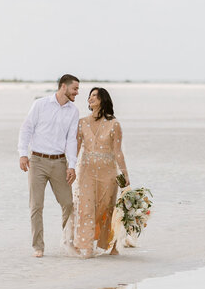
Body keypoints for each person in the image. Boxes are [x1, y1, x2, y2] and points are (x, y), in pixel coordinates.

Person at [18, 74, 80, 257]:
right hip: (37, 161)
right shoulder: (40, 105)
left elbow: (71, 140)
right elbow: (26, 128)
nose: (77, 92)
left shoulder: (73, 111)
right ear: (63, 87)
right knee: (36, 205)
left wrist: (72, 165)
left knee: (68, 203)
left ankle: (68, 241)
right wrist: (22, 154)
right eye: (74, 88)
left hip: (60, 162)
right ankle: (38, 246)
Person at [71, 87, 130, 257]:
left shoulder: (114, 124)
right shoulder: (82, 122)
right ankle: (87, 246)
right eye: (89, 96)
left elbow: (118, 151)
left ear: (103, 99)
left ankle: (109, 244)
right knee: (86, 207)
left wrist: (125, 173)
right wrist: (70, 167)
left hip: (108, 172)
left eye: (95, 96)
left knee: (106, 208)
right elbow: (76, 148)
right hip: (87, 171)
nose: (90, 98)